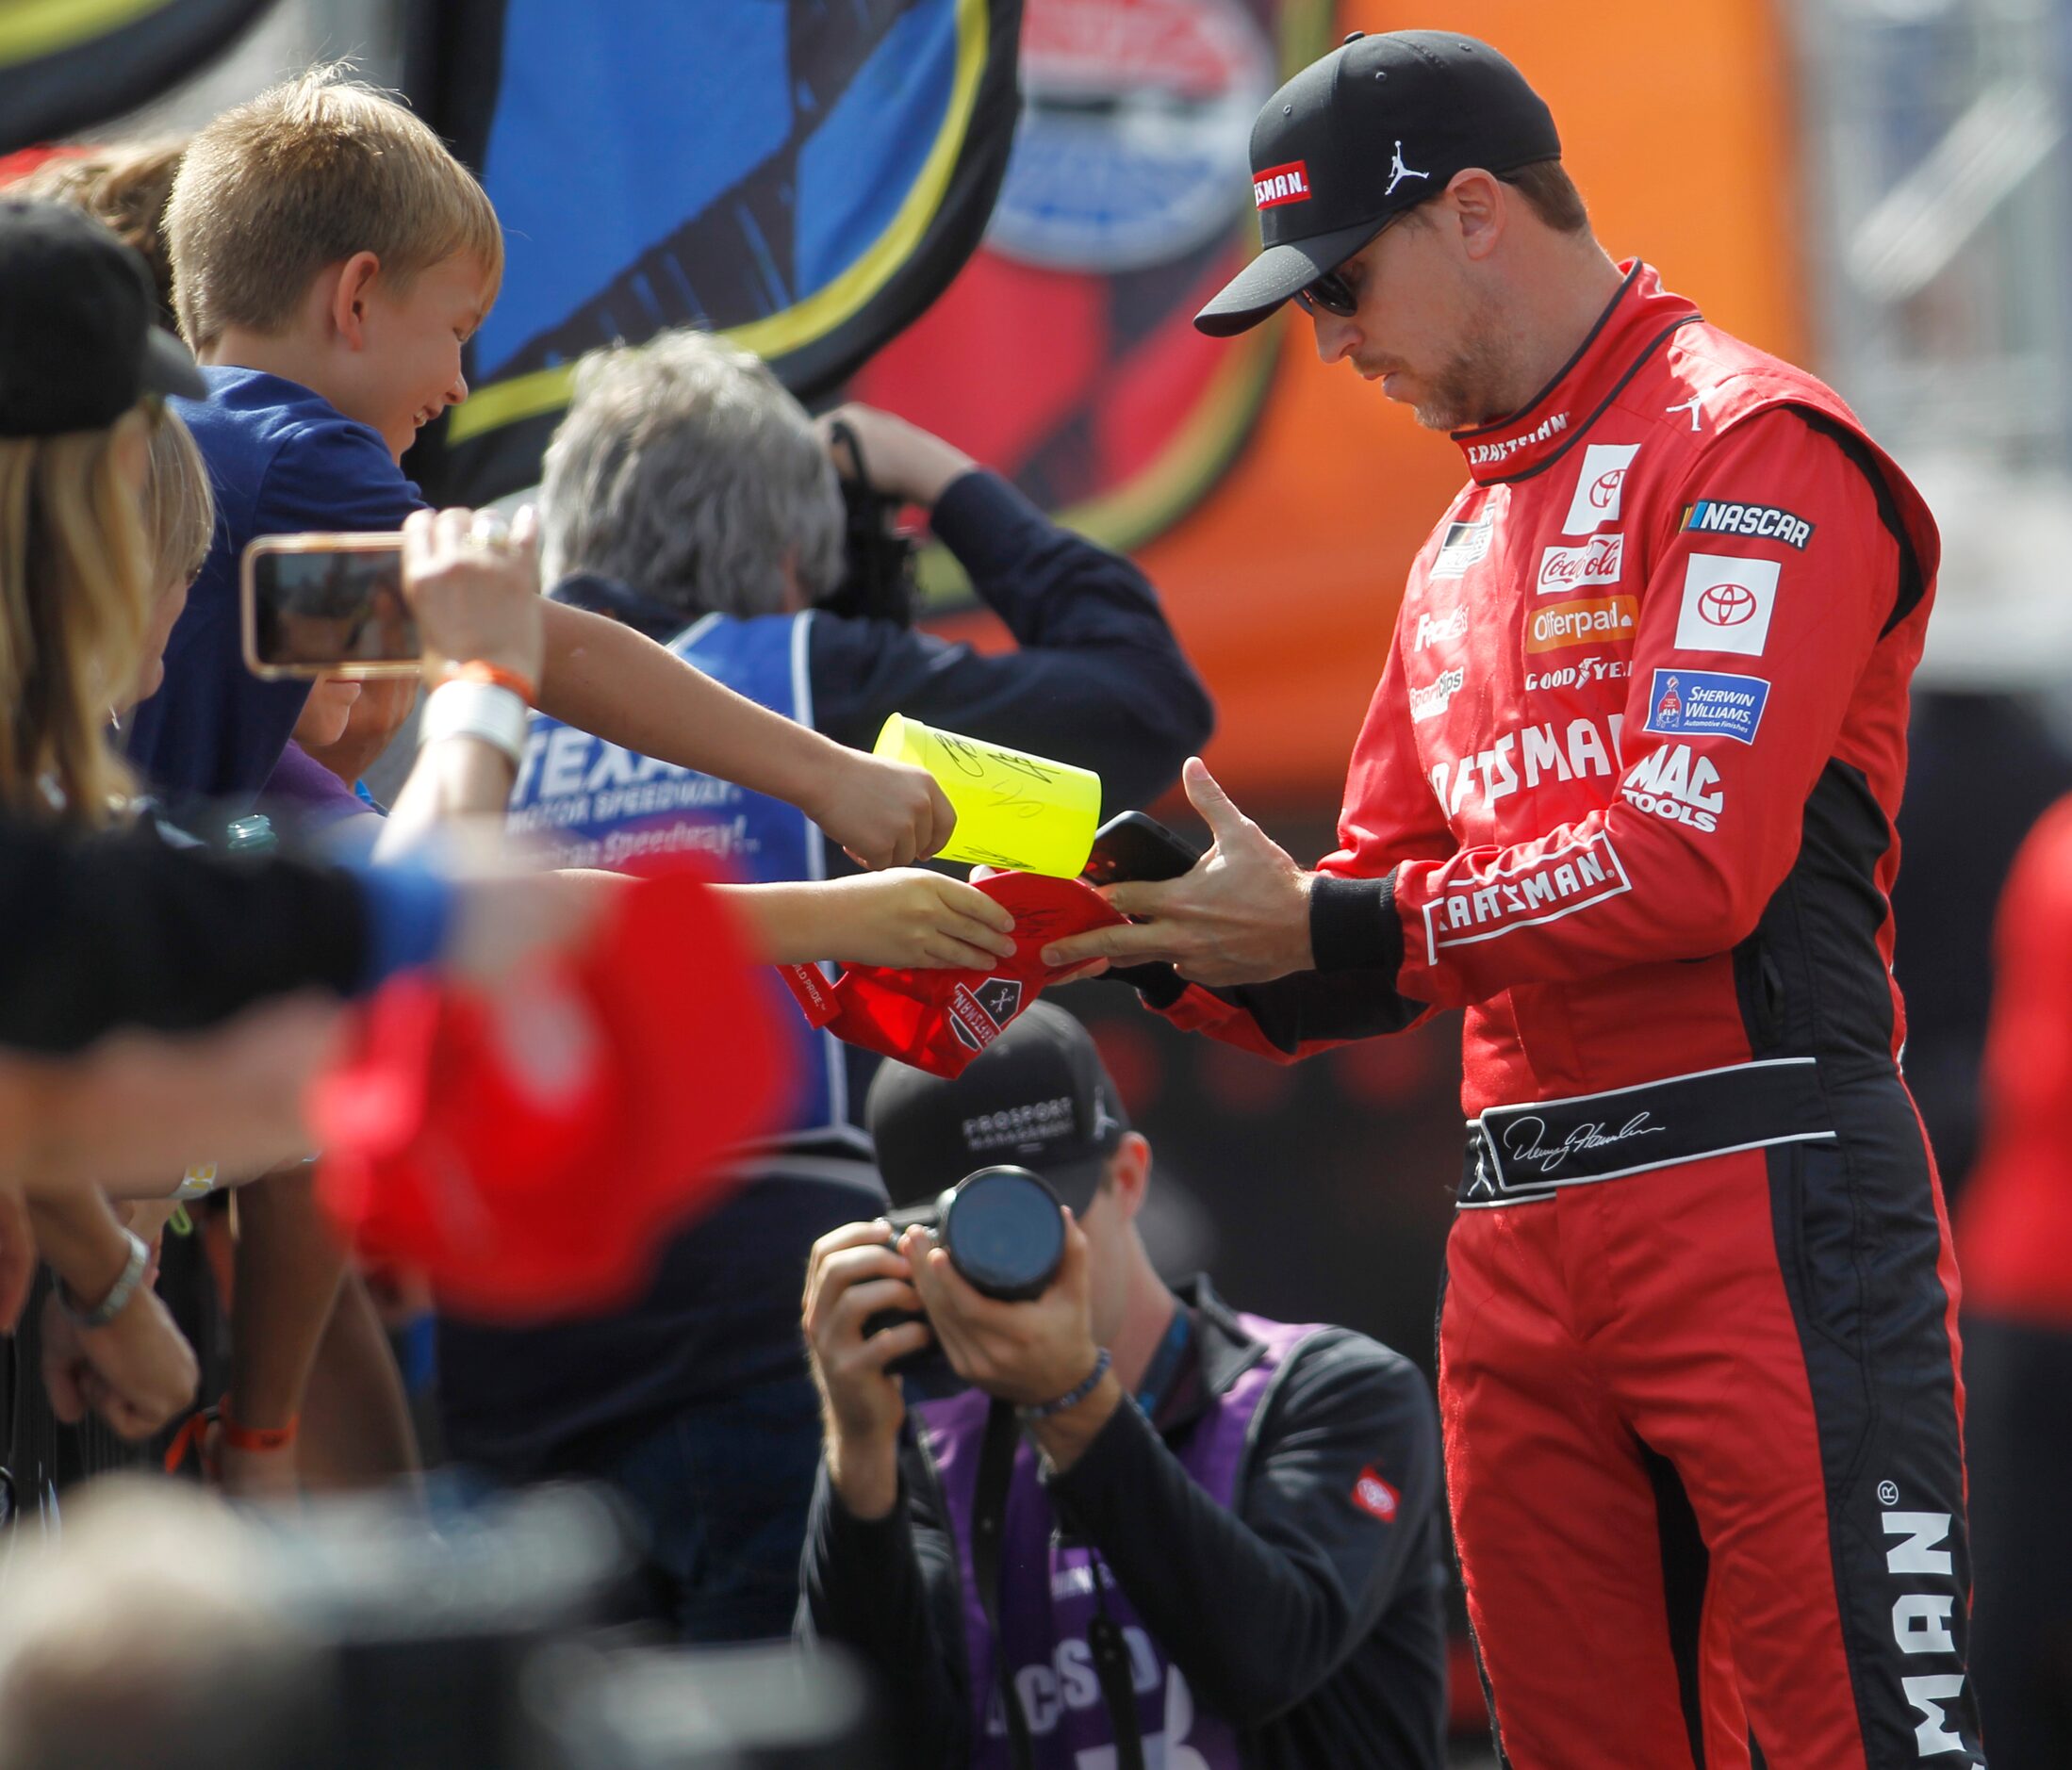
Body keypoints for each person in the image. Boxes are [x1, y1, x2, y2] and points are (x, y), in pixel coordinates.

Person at [1041, 32, 1979, 1769]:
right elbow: (1359, 941)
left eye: (1341, 291)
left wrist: (1340, 927)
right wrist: (1141, 927)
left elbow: (1682, 852)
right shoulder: (1460, 545)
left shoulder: (1752, 440)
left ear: (1473, 211)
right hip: (1517, 1243)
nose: (1330, 346)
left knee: (1861, 1741)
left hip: (1758, 1199)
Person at [435, 331, 1212, 1643]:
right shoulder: (823, 681)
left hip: (501, 1326)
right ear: (797, 558)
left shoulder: (462, 698)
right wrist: (938, 473)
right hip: (765, 1323)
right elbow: (1144, 706)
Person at [127, 64, 949, 870]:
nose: (457, 384)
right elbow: (555, 652)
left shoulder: (192, 451)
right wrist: (831, 777)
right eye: (457, 329)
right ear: (357, 300)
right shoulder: (297, 449)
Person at [800, 1003, 1447, 1769]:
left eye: (1039, 1215)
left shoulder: (1330, 1393)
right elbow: (869, 1744)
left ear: (1131, 1177)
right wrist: (859, 1451)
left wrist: (1071, 1399)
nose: (1009, 1262)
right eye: (969, 1238)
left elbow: (1265, 1660)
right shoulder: (923, 1455)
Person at [1952, 795, 2072, 1765]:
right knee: (2004, 1608)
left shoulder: (2051, 841)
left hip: (2018, 1274)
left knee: (2002, 1599)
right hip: (2033, 1284)